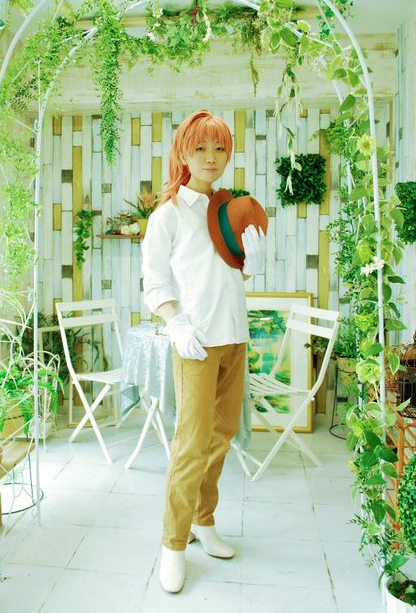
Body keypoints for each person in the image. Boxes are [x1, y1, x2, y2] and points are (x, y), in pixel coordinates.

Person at [141, 109, 267, 593]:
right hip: (195, 343)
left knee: (222, 436)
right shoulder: (168, 215)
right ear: (183, 153)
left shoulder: (229, 208)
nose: (211, 158)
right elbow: (154, 282)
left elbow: (228, 272)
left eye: (220, 148)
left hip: (234, 336)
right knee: (191, 445)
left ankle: (203, 519)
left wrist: (251, 265)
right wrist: (175, 323)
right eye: (201, 148)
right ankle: (173, 544)